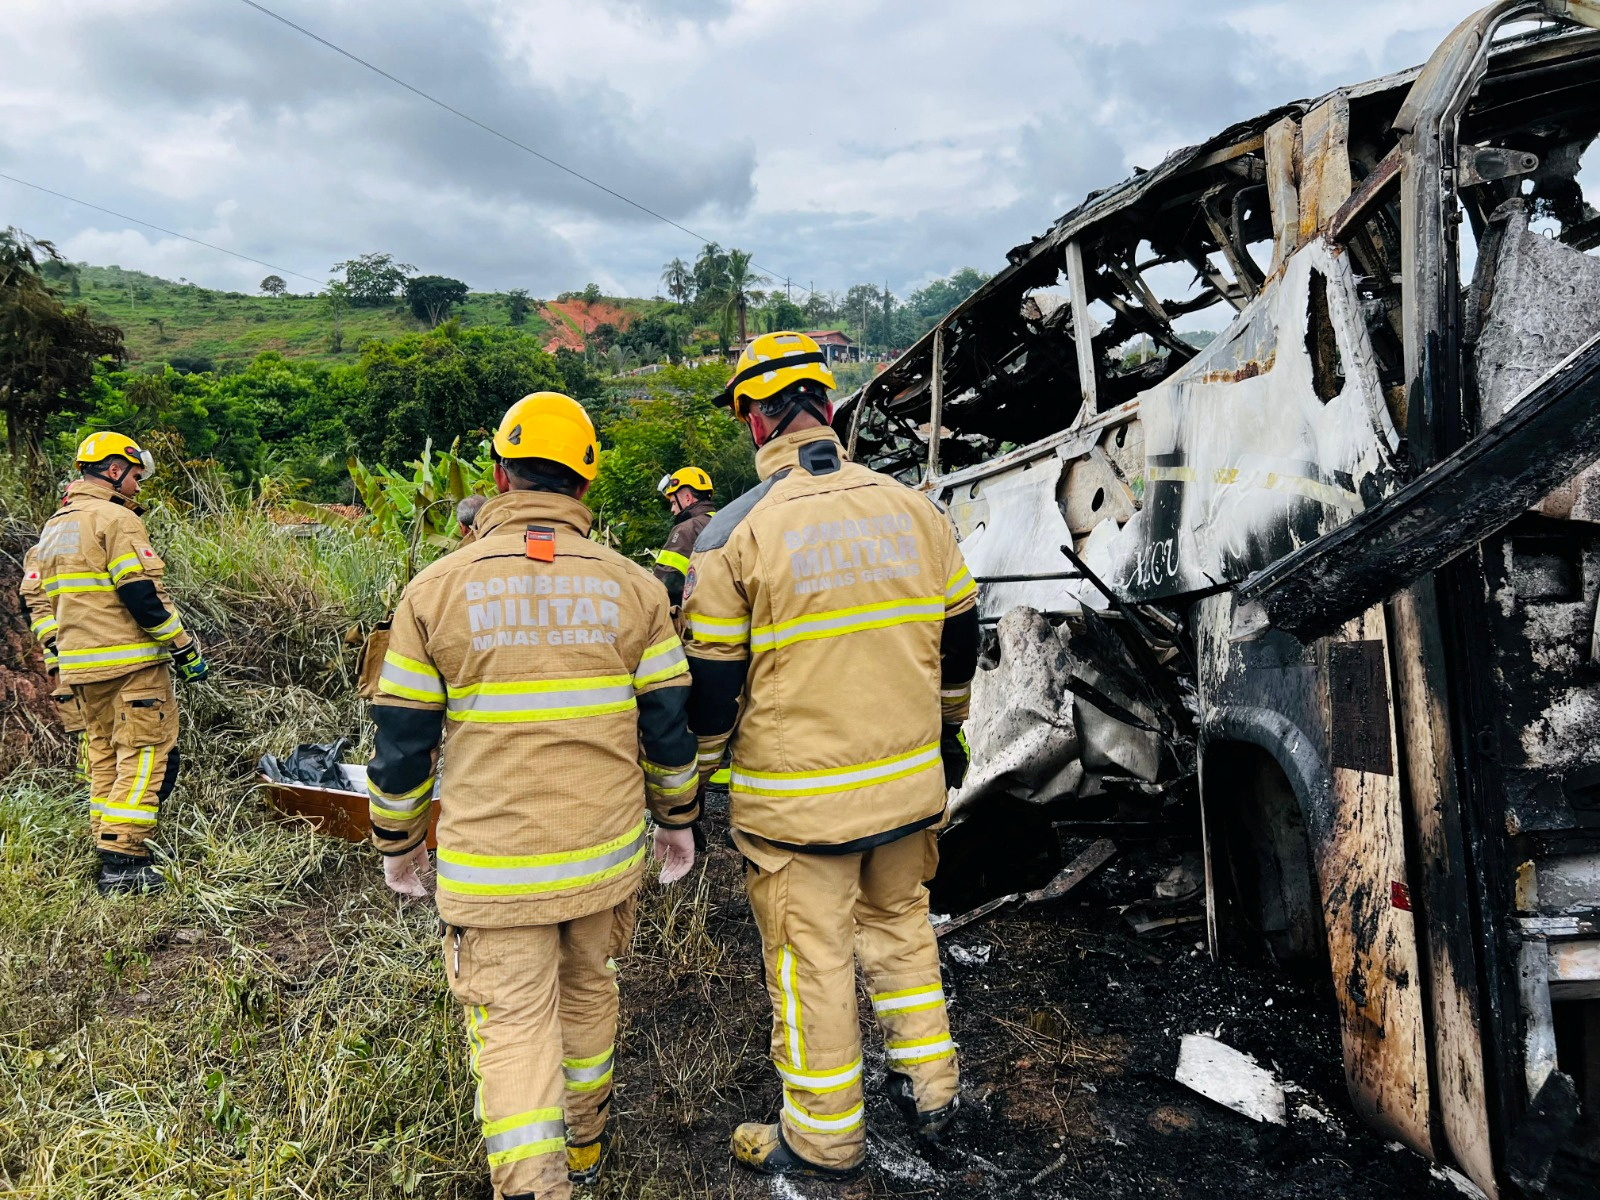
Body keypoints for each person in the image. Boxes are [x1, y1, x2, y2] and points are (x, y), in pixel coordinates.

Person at [365, 392, 699, 1200]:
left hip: (493, 868)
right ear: (586, 484)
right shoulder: (636, 589)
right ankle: (582, 1149)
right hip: (603, 860)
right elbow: (669, 728)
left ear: (499, 474)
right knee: (589, 995)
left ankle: (536, 1186)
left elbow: (401, 743)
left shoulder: (434, 590)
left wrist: (398, 842)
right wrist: (679, 823)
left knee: (513, 1025)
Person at [682, 332, 980, 1178]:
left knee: (812, 962)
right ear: (830, 407)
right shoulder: (915, 509)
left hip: (800, 809)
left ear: (752, 419)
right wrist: (948, 731)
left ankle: (823, 1140)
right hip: (908, 787)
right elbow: (961, 639)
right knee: (900, 930)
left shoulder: (733, 537)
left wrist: (697, 781)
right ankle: (932, 1091)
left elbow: (712, 689)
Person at [19, 432, 209, 896]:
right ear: (112, 470)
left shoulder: (52, 529)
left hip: (79, 672)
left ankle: (108, 846)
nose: (138, 487)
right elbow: (140, 595)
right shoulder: (115, 518)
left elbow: (37, 606)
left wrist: (61, 655)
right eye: (135, 476)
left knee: (104, 757)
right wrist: (184, 648)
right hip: (130, 666)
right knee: (146, 755)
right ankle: (125, 862)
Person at [651, 467, 717, 610]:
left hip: (695, 619)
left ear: (687, 498)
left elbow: (666, 581)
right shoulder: (722, 522)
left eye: (674, 502)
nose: (672, 510)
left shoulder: (686, 529)